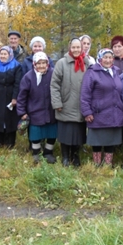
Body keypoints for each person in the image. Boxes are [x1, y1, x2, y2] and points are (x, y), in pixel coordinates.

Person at [80, 48, 123, 166]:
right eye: (105, 57)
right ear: (100, 58)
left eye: (110, 57)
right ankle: (97, 165)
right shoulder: (92, 72)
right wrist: (87, 112)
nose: (108, 60)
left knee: (111, 140)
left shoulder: (116, 71)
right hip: (98, 113)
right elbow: (85, 93)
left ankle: (108, 165)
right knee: (97, 141)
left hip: (114, 112)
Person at [51, 38, 90, 167]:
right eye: (73, 47)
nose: (76, 50)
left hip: (80, 105)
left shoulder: (87, 63)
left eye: (78, 47)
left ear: (82, 48)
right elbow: (54, 84)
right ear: (70, 48)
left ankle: (75, 156)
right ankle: (66, 157)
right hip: (65, 104)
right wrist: (57, 103)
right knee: (65, 134)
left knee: (78, 134)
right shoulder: (61, 63)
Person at [17, 52, 57, 163]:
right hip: (35, 111)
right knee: (36, 135)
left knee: (52, 133)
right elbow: (22, 97)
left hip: (51, 111)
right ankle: (36, 153)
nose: (41, 66)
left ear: (47, 63)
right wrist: (22, 112)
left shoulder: (53, 74)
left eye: (43, 63)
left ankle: (48, 153)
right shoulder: (28, 77)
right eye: (38, 63)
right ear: (34, 64)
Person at [0, 46, 23, 148]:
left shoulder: (16, 66)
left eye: (5, 54)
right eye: (1, 54)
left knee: (10, 119)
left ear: (10, 55)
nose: (3, 56)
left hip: (10, 94)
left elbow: (18, 83)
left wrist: (15, 97)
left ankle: (10, 142)